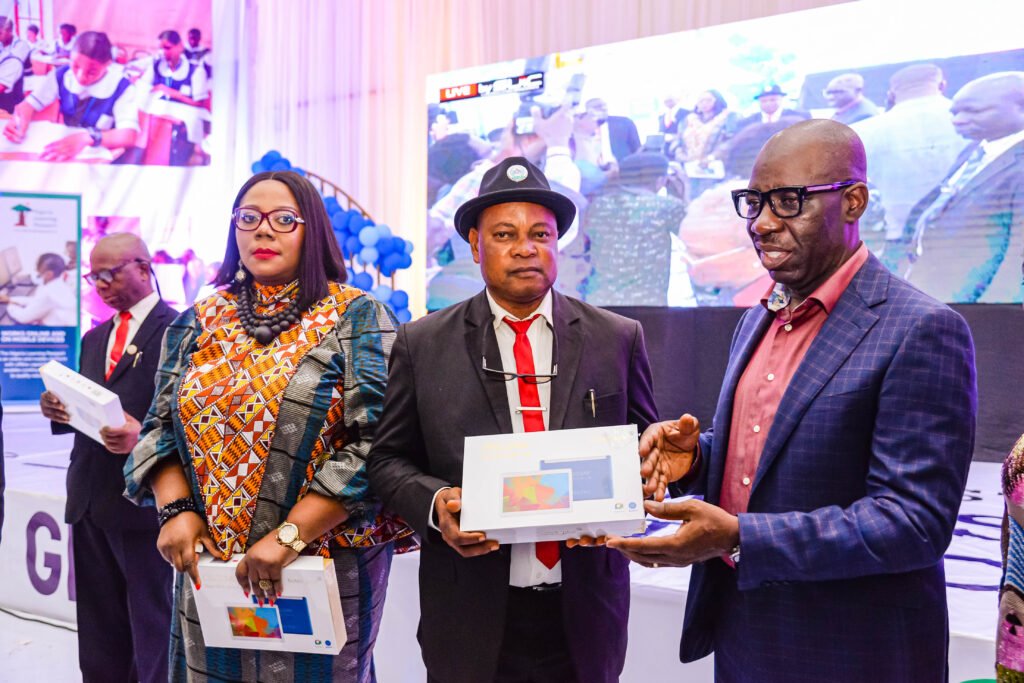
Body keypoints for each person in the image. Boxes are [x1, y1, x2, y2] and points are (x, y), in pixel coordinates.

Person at [607, 119, 977, 682]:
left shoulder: (921, 329)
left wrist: (738, 536)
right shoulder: (760, 317)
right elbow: (775, 457)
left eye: (788, 202)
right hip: (746, 633)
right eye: (753, 202)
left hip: (853, 651)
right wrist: (699, 460)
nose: (762, 223)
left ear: (853, 202)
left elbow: (914, 521)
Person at [368, 156, 659, 683]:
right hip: (468, 614)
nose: (526, 247)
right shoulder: (422, 343)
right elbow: (387, 461)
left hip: (586, 613)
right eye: (505, 234)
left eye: (540, 233)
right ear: (476, 246)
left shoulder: (617, 338)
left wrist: (634, 492)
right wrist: (436, 504)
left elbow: (644, 451)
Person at [123, 170, 413, 683]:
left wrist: (289, 535)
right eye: (248, 218)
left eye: (284, 219)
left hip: (323, 562)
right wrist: (176, 511)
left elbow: (379, 441)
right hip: (213, 566)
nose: (263, 231)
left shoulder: (357, 316)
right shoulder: (197, 320)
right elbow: (159, 427)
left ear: (312, 231)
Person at [39, 233, 175, 683]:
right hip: (90, 498)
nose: (99, 284)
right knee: (99, 629)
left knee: (150, 624)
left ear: (143, 266)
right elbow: (90, 404)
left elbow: (191, 418)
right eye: (92, 275)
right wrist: (59, 409)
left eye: (109, 273)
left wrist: (142, 434)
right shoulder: (95, 337)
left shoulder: (179, 331)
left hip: (142, 503)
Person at [898, 71, 1024, 303]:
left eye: (973, 111)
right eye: (955, 112)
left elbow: (1017, 261)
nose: (958, 120)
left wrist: (993, 312)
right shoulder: (976, 149)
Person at [852, 64, 966, 252]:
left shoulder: (863, 132)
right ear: (942, 85)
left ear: (891, 93)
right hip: (963, 235)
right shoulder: (975, 124)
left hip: (893, 236)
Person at [2, 31, 140, 162]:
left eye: (92, 72)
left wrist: (87, 138)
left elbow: (129, 135)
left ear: (108, 65)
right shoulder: (62, 75)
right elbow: (29, 104)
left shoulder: (121, 87)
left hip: (102, 155)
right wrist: (19, 121)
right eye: (75, 66)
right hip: (69, 150)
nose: (81, 77)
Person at [580, 152, 687, 305]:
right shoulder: (667, 207)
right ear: (660, 181)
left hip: (599, 302)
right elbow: (695, 238)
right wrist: (683, 194)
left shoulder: (598, 205)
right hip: (647, 305)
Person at [0, 253, 75, 325]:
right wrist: (10, 299)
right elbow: (36, 301)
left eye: (38, 271)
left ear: (49, 274)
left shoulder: (50, 292)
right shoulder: (57, 284)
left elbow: (23, 317)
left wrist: (9, 305)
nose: (36, 272)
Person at [144, 30, 209, 109]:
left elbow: (201, 104)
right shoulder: (155, 66)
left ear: (180, 46)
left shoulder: (196, 71)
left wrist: (175, 94)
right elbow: (144, 89)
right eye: (160, 49)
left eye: (167, 48)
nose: (163, 52)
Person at [736, 84, 809, 129]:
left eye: (772, 100)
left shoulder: (800, 117)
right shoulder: (746, 123)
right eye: (764, 101)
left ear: (781, 99)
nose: (768, 103)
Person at [0, 17, 30, 112]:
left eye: (0, 33)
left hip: (11, 97)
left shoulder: (21, 47)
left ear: (10, 31)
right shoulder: (1, 44)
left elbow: (11, 67)